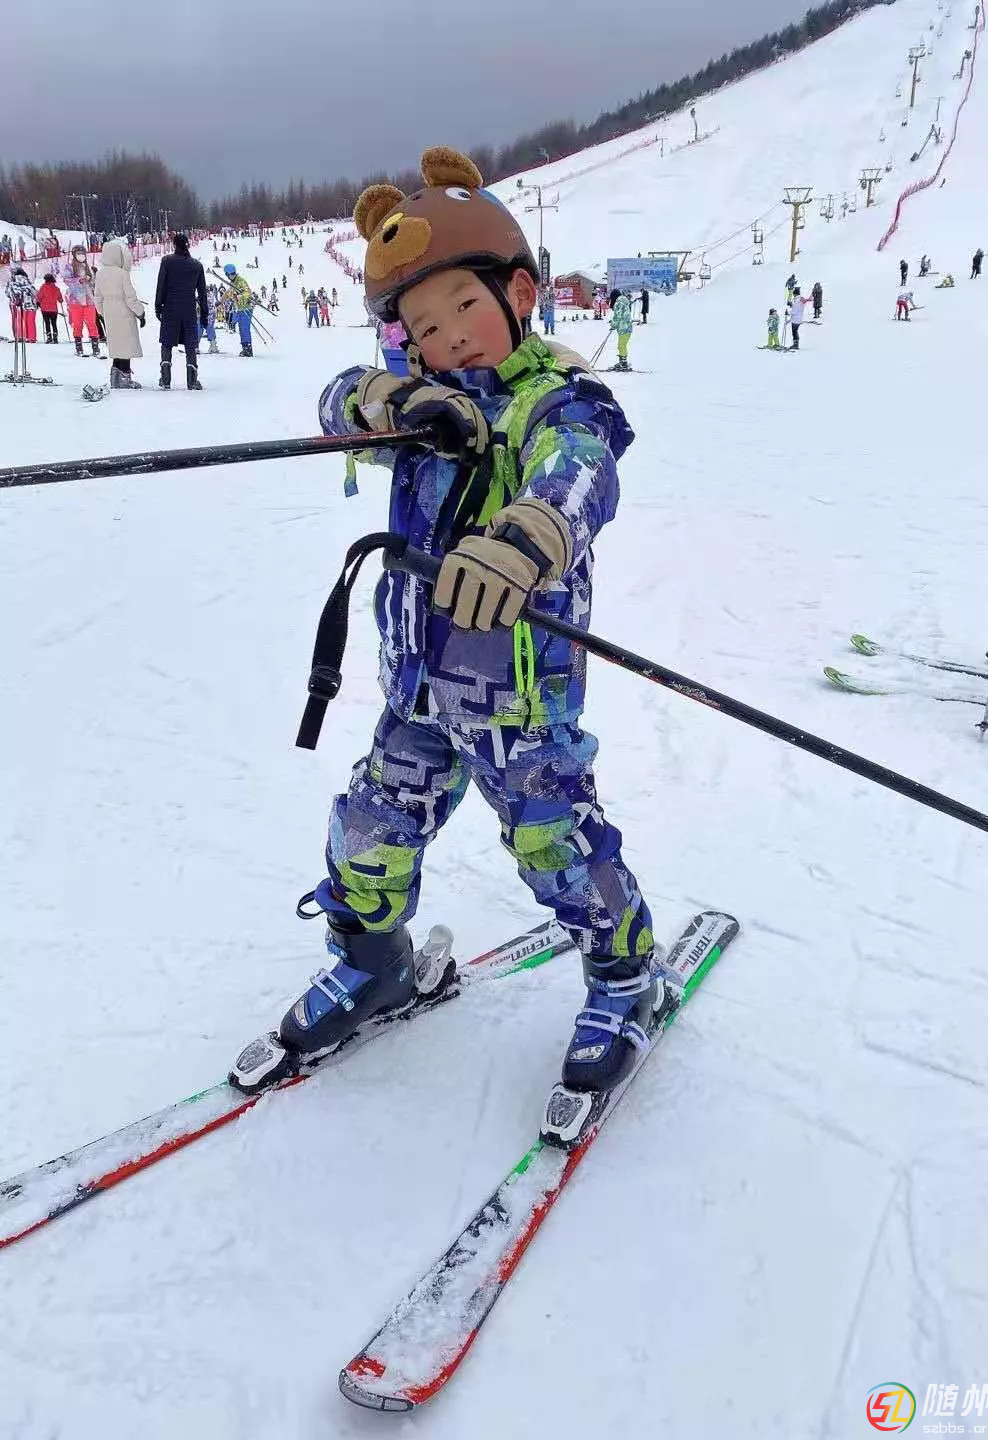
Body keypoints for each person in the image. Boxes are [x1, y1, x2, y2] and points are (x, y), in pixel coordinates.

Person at [228, 144, 656, 1113]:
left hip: (519, 704)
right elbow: (336, 404)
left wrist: (525, 539)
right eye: (423, 327)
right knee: (367, 833)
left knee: (557, 843)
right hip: (418, 692)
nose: (449, 338)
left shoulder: (557, 401)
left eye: (464, 308)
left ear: (518, 294)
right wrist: (389, 399)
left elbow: (582, 469)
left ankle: (627, 975)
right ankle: (375, 961)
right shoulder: (427, 411)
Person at [155, 232, 209, 389]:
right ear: (188, 245)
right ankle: (192, 380)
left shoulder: (167, 261)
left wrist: (158, 306)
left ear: (174, 245)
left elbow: (161, 286)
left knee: (167, 343)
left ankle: (165, 379)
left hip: (170, 308)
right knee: (190, 344)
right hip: (189, 309)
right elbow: (202, 293)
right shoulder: (197, 265)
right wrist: (204, 313)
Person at [93, 239, 147, 389]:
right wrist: (140, 313)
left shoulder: (100, 274)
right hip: (124, 313)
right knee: (126, 346)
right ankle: (125, 378)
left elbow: (97, 297)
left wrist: (103, 313)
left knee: (116, 346)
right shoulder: (122, 274)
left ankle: (115, 377)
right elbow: (130, 298)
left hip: (109, 313)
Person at [62, 244, 101, 357]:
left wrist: (92, 279)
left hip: (89, 300)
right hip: (76, 300)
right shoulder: (69, 267)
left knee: (91, 323)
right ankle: (79, 348)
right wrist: (79, 280)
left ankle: (95, 348)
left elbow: (94, 283)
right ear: (74, 255)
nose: (81, 256)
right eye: (78, 254)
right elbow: (66, 280)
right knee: (77, 324)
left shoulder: (88, 267)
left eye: (83, 254)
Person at [222, 262, 255, 355]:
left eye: (229, 274)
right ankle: (245, 348)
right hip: (240, 309)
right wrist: (220, 301)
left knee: (244, 328)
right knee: (241, 328)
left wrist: (238, 297)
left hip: (246, 308)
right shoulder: (234, 282)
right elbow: (228, 293)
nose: (229, 276)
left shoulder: (241, 281)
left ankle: (248, 349)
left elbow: (247, 293)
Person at [5, 266, 38, 343]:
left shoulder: (12, 281)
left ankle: (20, 336)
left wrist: (14, 298)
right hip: (31, 304)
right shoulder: (27, 280)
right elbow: (34, 292)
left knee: (18, 320)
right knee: (30, 321)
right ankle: (31, 337)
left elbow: (8, 292)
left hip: (18, 303)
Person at [609, 287, 634, 369]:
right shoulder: (623, 301)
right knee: (622, 345)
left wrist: (613, 325)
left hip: (624, 327)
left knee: (621, 345)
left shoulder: (619, 303)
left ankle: (623, 363)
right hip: (626, 327)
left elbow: (617, 316)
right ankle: (623, 362)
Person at [37, 273, 64, 342]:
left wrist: (38, 303)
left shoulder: (43, 287)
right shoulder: (56, 288)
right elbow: (60, 299)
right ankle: (55, 337)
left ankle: (49, 337)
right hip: (54, 309)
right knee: (54, 323)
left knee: (47, 323)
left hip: (45, 309)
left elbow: (39, 296)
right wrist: (60, 300)